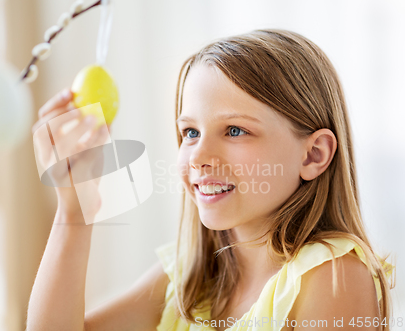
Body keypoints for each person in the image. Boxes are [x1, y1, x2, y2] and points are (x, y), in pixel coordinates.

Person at [26, 29, 395, 331]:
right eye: (190, 132)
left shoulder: (332, 276)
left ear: (313, 155)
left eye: (234, 130)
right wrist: (73, 211)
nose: (199, 157)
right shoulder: (189, 280)